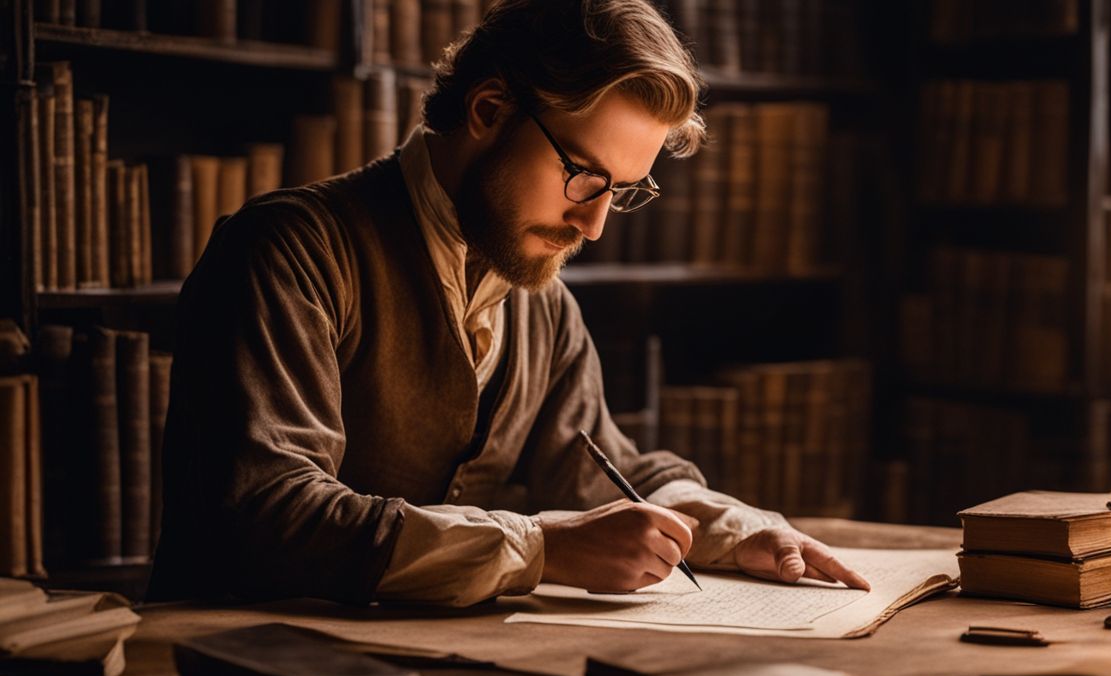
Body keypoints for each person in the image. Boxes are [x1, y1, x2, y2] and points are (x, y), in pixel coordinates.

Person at [147, 0, 869, 606]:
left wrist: (739, 532)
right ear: (489, 110)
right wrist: (541, 550)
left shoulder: (541, 300)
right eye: (584, 176)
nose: (592, 225)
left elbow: (599, 470)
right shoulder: (289, 250)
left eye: (621, 192)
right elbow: (272, 515)